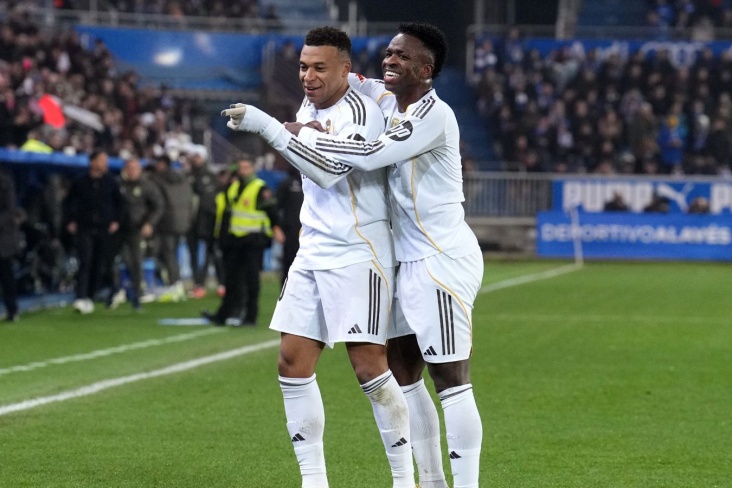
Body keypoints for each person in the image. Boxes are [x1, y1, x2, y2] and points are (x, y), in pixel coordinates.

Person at [224, 22, 484, 488]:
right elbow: (355, 78)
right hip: (394, 255)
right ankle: (426, 480)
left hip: (435, 255)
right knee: (404, 375)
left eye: (402, 56)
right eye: (388, 53)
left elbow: (359, 158)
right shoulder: (376, 94)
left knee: (448, 378)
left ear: (426, 70)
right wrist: (308, 116)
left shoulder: (429, 114)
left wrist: (282, 131)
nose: (390, 61)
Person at [202, 156, 279, 327]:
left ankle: (250, 316)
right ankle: (224, 314)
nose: (243, 171)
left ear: (252, 169)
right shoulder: (234, 187)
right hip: (236, 239)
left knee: (252, 280)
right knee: (231, 279)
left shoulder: (260, 187)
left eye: (246, 168)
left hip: (254, 240)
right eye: (240, 168)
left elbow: (272, 211)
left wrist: (274, 230)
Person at [64, 150, 125, 314]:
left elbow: (120, 204)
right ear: (92, 162)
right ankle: (80, 296)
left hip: (104, 228)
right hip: (84, 227)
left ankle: (90, 296)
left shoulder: (111, 182)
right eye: (101, 160)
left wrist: (116, 221)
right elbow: (69, 202)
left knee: (99, 263)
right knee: (85, 261)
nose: (105, 164)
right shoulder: (80, 182)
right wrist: (70, 220)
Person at [113, 158, 165, 310]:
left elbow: (158, 206)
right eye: (129, 168)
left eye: (134, 168)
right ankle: (115, 291)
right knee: (113, 260)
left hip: (137, 228)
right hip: (118, 228)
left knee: (136, 261)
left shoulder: (147, 185)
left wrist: (149, 223)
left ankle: (137, 295)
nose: (132, 171)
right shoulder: (118, 185)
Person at [149, 154, 193, 302]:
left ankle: (174, 284)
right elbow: (191, 201)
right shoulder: (183, 179)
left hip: (166, 223)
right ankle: (175, 283)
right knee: (171, 253)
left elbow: (159, 203)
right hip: (182, 223)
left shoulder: (158, 179)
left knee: (166, 253)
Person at [186, 149, 222, 299]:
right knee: (196, 255)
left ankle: (219, 283)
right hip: (191, 223)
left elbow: (213, 201)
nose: (196, 159)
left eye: (198, 156)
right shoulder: (187, 175)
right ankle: (198, 284)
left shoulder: (210, 176)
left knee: (210, 254)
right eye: (194, 156)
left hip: (208, 223)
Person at [275, 166, 304, 286]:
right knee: (290, 265)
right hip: (291, 232)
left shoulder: (316, 182)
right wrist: (277, 228)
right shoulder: (287, 183)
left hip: (313, 232)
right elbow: (276, 207)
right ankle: (287, 292)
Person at [0, 168, 20, 322]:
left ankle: (12, 310)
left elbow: (10, 210)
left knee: (6, 274)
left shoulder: (5, 183)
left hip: (3, 238)